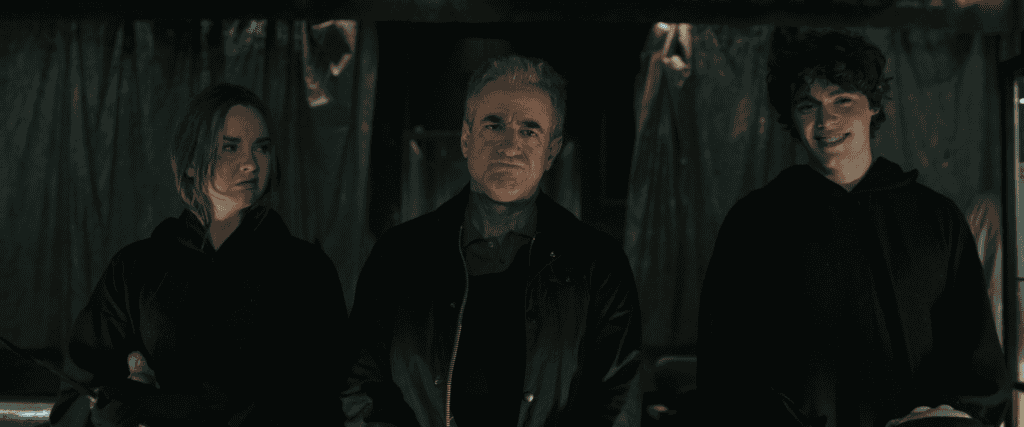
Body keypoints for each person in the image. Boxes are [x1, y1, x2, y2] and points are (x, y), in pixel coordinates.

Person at [697, 30, 1010, 427]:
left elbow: (977, 363)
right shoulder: (754, 224)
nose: (826, 121)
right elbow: (725, 367)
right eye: (807, 105)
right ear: (791, 117)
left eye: (842, 100)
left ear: (873, 105)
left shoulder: (936, 220)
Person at [341, 55, 642, 427]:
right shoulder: (398, 257)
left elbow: (617, 403)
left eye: (529, 131)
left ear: (551, 151)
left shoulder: (598, 266)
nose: (509, 146)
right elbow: (360, 388)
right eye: (494, 125)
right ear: (466, 138)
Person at [49, 83, 349, 427]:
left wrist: (157, 404)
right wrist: (113, 406)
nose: (250, 163)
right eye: (230, 148)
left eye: (262, 147)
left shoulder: (306, 272)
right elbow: (78, 397)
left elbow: (319, 398)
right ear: (190, 163)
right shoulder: (136, 271)